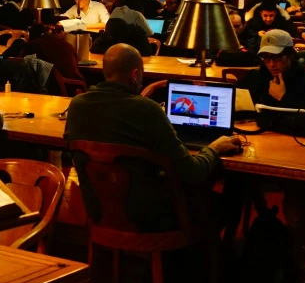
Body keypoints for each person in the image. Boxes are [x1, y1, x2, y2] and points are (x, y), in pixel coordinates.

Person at [63, 44, 240, 232]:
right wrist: (214, 148)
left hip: (98, 210)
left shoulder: (77, 106)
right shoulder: (147, 110)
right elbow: (192, 172)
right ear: (135, 75)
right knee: (230, 198)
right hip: (149, 219)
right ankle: (206, 257)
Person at [235, 30, 305, 109]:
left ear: (290, 55)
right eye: (266, 58)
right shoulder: (254, 78)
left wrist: (283, 98)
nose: (271, 64)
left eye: (277, 57)